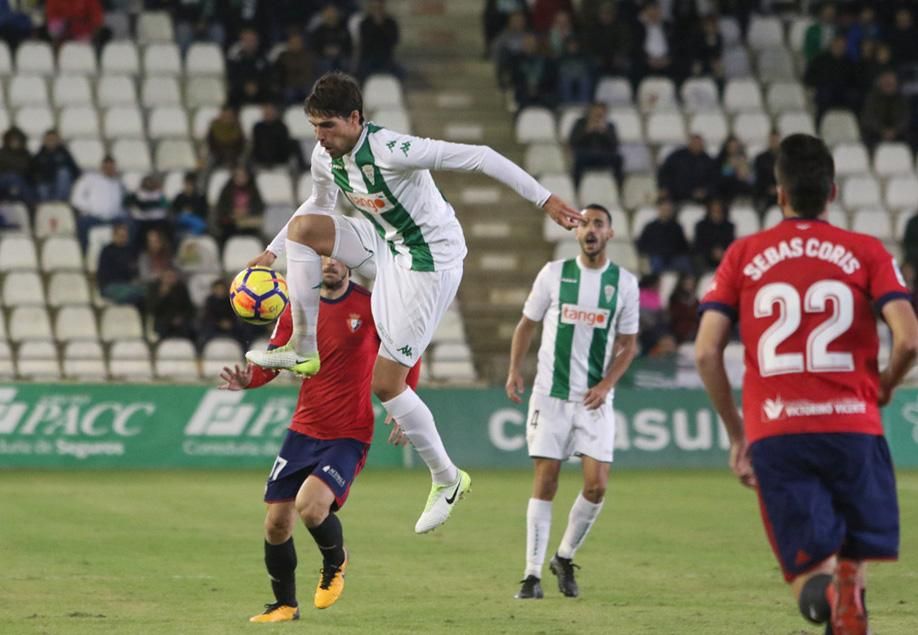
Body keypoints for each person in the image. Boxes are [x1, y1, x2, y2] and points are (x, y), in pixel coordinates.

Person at [244, 71, 580, 534]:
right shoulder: (326, 158)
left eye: (328, 127)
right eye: (315, 126)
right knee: (304, 232)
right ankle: (303, 347)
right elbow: (315, 206)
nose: (319, 137)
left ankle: (447, 479)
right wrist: (271, 251)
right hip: (387, 244)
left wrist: (546, 200)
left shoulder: (393, 150)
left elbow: (480, 156)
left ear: (355, 118)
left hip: (430, 261)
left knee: (386, 384)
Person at [694, 133, 918, 635]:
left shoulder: (744, 254)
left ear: (780, 193)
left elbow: (707, 351)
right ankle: (848, 593)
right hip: (855, 429)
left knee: (807, 575)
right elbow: (908, 339)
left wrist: (736, 433)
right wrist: (882, 385)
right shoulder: (866, 251)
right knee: (851, 555)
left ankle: (834, 597)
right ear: (832, 192)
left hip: (777, 432)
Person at [219, 257, 420, 622]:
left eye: (337, 258)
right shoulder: (297, 305)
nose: (329, 263)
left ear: (351, 263)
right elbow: (275, 357)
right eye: (324, 256)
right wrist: (251, 380)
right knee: (276, 524)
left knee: (311, 506)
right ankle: (285, 605)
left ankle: (335, 561)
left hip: (349, 433)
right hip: (302, 430)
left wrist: (405, 404)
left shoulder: (373, 305)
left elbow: (407, 353)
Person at [505, 204, 639, 600]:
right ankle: (531, 575)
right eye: (583, 223)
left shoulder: (624, 284)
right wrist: (515, 370)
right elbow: (526, 324)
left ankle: (564, 556)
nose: (590, 230)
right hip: (550, 396)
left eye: (598, 223)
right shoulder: (554, 274)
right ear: (575, 232)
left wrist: (606, 383)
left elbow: (628, 346)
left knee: (596, 486)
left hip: (594, 400)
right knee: (546, 481)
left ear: (610, 233)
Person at [69, 155, 128, 251]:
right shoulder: (89, 179)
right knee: (82, 223)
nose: (109, 170)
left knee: (130, 223)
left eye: (112, 167)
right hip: (93, 217)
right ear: (102, 167)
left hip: (114, 218)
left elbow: (123, 202)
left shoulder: (119, 183)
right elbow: (75, 199)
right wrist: (91, 208)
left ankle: (126, 254)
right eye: (107, 167)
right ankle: (84, 253)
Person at [568, 102, 622, 187]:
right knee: (578, 161)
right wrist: (587, 131)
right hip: (585, 154)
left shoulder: (610, 126)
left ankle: (618, 187)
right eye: (595, 112)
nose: (598, 115)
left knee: (618, 159)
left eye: (600, 113)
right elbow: (573, 142)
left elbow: (614, 145)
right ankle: (576, 187)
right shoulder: (580, 123)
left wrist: (604, 132)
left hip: (604, 155)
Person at [30, 129, 81, 202]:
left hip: (61, 189)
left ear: (58, 140)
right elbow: (32, 174)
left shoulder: (65, 154)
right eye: (49, 139)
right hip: (45, 187)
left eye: (53, 139)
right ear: (44, 141)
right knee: (41, 186)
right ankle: (45, 206)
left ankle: (58, 202)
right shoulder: (39, 156)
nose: (51, 142)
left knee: (64, 172)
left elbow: (75, 171)